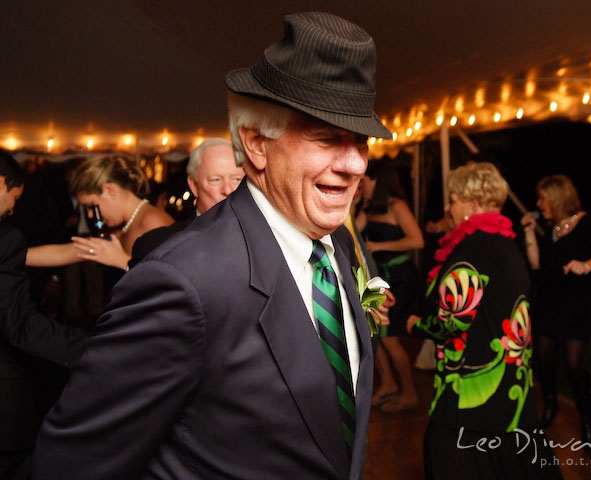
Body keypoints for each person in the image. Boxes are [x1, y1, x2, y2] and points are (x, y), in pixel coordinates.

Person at [33, 12, 391, 480]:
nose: (354, 164)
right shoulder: (184, 281)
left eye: (360, 141)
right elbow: (72, 465)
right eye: (326, 138)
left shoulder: (337, 244)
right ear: (256, 143)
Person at [408, 162, 561, 479]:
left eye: (452, 200)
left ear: (472, 205)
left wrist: (413, 325)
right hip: (511, 396)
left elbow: (451, 323)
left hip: (470, 402)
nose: (447, 208)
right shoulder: (507, 244)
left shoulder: (469, 251)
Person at [0, 150, 86, 480]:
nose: (12, 209)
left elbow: (32, 255)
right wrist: (95, 348)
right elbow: (20, 324)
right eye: (13, 197)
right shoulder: (6, 236)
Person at [520, 174, 591, 450]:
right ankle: (549, 406)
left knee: (573, 366)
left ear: (558, 198)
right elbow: (536, 265)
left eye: (543, 198)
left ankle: (588, 422)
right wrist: (528, 233)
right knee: (544, 361)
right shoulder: (552, 229)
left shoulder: (586, 223)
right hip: (549, 303)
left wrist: (585, 265)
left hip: (577, 306)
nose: (539, 203)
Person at [25, 155, 174, 272]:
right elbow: (64, 253)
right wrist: (10, 255)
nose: (90, 215)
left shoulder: (154, 222)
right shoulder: (122, 229)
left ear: (110, 191)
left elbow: (170, 281)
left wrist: (122, 262)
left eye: (92, 206)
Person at [356, 160, 423, 413]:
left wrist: (380, 247)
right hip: (375, 279)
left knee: (391, 338)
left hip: (399, 277)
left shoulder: (397, 206)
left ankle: (410, 393)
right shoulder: (369, 208)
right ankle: (388, 384)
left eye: (365, 180)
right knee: (374, 335)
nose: (362, 184)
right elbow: (349, 232)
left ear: (378, 181)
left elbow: (417, 240)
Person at [129, 137, 244, 265]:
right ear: (194, 185)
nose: (228, 190)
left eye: (237, 179)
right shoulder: (157, 246)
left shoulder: (265, 237)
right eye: (216, 180)